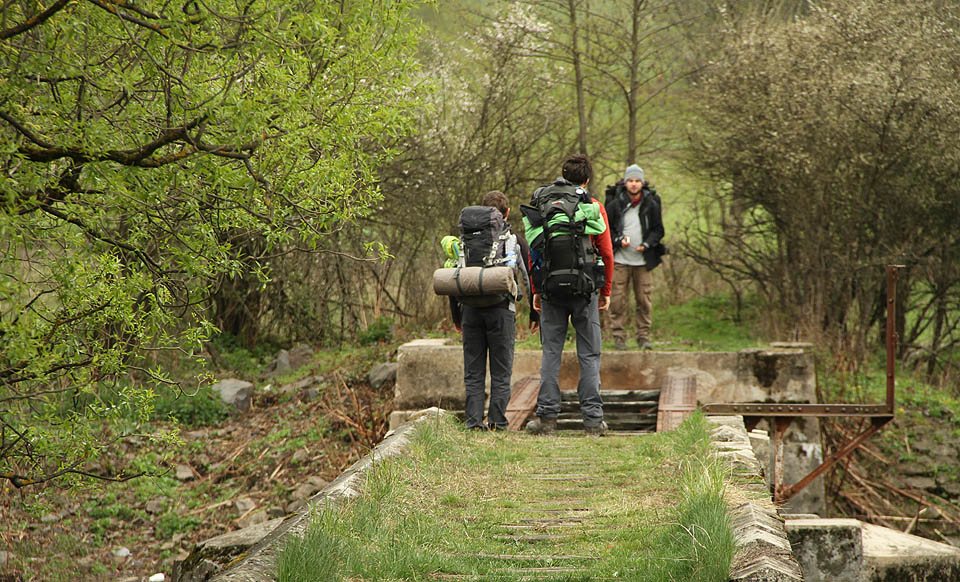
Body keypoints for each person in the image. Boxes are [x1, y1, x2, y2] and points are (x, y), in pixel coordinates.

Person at [524, 154, 614, 436]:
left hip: (550, 289)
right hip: (584, 288)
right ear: (587, 180)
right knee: (589, 354)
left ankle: (547, 419)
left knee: (551, 352)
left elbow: (533, 251)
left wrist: (536, 290)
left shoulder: (545, 205)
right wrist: (606, 290)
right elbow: (608, 253)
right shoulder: (592, 206)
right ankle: (593, 421)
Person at [448, 191, 537, 431]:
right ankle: (498, 423)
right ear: (506, 213)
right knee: (501, 370)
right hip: (501, 310)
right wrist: (534, 313)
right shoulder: (514, 239)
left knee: (473, 370)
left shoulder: (464, 239)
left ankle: (473, 422)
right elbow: (529, 279)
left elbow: (454, 278)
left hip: (470, 311)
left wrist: (457, 317)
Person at [604, 164, 665, 351]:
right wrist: (618, 240)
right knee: (618, 300)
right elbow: (607, 229)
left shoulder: (652, 203)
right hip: (620, 259)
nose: (634, 184)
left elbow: (658, 230)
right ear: (625, 182)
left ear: (642, 183)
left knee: (644, 300)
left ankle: (643, 336)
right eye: (630, 180)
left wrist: (647, 244)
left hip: (643, 260)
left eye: (637, 181)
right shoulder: (615, 203)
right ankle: (619, 337)